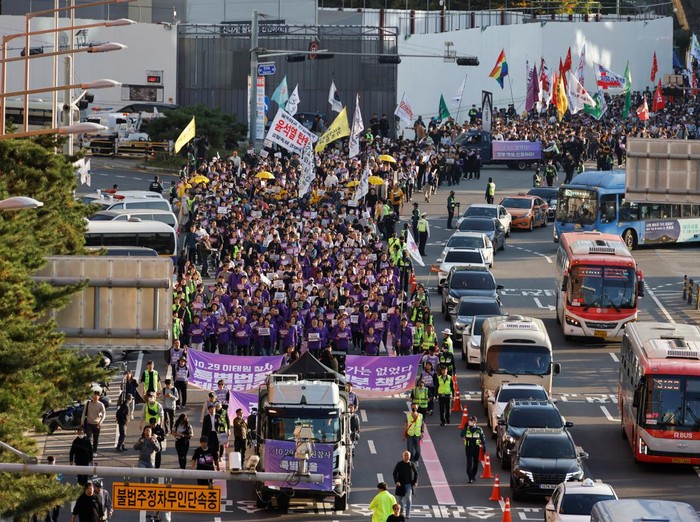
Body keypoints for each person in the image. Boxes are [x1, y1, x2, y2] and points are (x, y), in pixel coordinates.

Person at [392, 450, 418, 520]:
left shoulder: (412, 465)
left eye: (408, 456)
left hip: (409, 484)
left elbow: (416, 474)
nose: (406, 457)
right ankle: (401, 511)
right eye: (405, 455)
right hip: (401, 484)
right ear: (403, 456)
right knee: (400, 500)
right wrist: (397, 481)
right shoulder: (399, 464)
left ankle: (408, 514)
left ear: (409, 457)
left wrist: (415, 482)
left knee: (409, 499)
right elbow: (395, 473)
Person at [460, 415, 486, 483]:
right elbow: (461, 435)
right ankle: (470, 477)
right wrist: (465, 428)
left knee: (475, 463)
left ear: (475, 422)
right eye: (469, 420)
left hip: (476, 448)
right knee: (469, 463)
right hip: (468, 448)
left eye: (471, 421)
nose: (469, 422)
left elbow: (483, 437)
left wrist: (484, 446)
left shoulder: (479, 429)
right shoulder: (467, 428)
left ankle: (473, 475)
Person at [80, 390, 106, 455]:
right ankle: (89, 451)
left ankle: (94, 451)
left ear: (99, 397)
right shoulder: (88, 403)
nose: (96, 396)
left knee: (96, 439)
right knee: (88, 439)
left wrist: (100, 422)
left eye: (97, 395)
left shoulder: (101, 404)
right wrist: (82, 422)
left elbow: (104, 414)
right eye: (95, 395)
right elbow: (84, 413)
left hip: (97, 424)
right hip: (89, 424)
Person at [403, 403, 424, 467]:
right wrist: (404, 434)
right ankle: (412, 462)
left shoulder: (420, 416)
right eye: (413, 407)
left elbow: (423, 424)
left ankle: (415, 460)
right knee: (410, 450)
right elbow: (405, 425)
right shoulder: (408, 416)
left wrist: (422, 432)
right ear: (411, 408)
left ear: (417, 408)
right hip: (410, 435)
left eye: (415, 407)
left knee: (418, 451)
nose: (414, 408)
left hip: (417, 435)